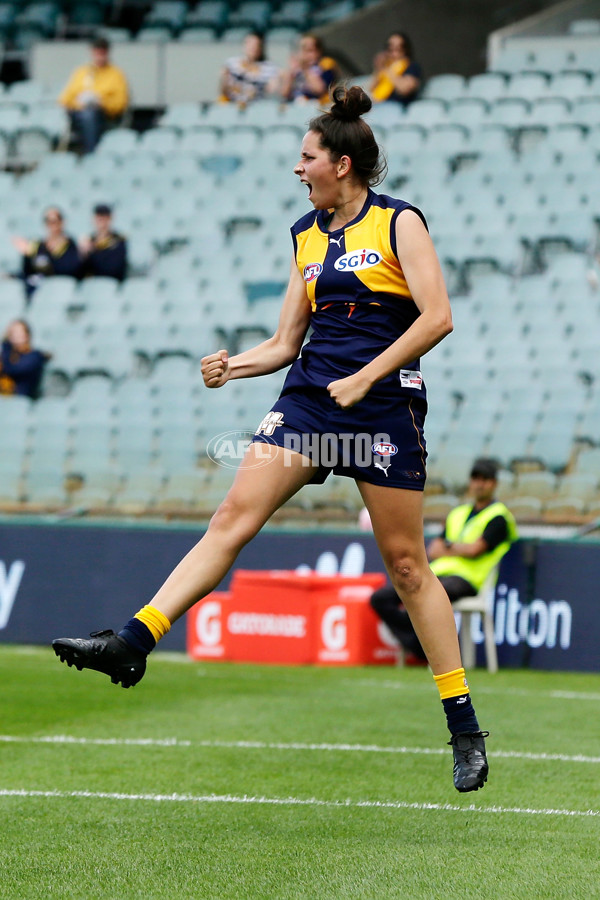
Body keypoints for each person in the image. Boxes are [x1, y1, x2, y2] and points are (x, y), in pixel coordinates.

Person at [53, 85, 489, 793]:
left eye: (306, 156)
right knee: (232, 517)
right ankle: (134, 642)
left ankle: (463, 725)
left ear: (341, 164)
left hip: (381, 407)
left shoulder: (400, 222)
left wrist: (366, 377)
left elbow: (437, 317)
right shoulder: (306, 233)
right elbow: (289, 340)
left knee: (408, 567)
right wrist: (236, 362)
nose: (298, 167)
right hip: (312, 401)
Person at [370, 458, 518, 663]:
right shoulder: (458, 513)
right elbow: (433, 550)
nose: (479, 483)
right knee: (380, 598)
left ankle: (420, 641)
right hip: (437, 573)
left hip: (468, 579)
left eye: (485, 479)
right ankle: (419, 646)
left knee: (430, 598)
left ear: (494, 483)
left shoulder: (499, 517)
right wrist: (457, 549)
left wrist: (449, 546)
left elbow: (475, 550)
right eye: (476, 478)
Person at [58, 36, 129, 154]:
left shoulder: (116, 74)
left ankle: (91, 154)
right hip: (78, 112)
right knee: (85, 114)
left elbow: (120, 103)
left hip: (105, 115)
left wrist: (101, 102)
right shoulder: (81, 72)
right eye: (97, 53)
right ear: (92, 52)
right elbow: (65, 99)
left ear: (107, 53)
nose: (100, 57)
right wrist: (80, 102)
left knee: (90, 115)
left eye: (102, 53)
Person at [13, 207, 81, 301]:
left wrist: (46, 261)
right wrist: (26, 255)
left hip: (60, 292)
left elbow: (68, 269)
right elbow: (28, 271)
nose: (52, 225)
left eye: (55, 221)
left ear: (62, 222)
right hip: (39, 293)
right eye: (48, 221)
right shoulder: (39, 245)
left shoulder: (69, 244)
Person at [219, 31, 280, 106]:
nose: (253, 48)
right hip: (233, 106)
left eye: (256, 45)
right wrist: (224, 79)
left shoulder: (269, 68)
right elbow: (224, 91)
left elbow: (271, 91)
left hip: (256, 108)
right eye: (250, 44)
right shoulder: (232, 64)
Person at [280, 33, 338, 105]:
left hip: (318, 104)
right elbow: (284, 93)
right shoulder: (296, 68)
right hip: (296, 105)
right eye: (302, 50)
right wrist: (290, 72)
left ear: (319, 51)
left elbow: (320, 90)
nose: (304, 54)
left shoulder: (325, 64)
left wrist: (305, 69)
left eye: (310, 50)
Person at [0, 319, 50, 398]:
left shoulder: (34, 356)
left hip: (22, 398)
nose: (15, 335)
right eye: (12, 332)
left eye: (19, 332)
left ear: (27, 334)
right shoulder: (9, 355)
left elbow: (12, 370)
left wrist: (6, 345)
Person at [370, 31, 422, 106]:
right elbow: (371, 88)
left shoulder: (412, 66)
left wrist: (387, 70)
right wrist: (378, 68)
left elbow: (405, 89)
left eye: (399, 48)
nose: (394, 52)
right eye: (390, 48)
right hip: (378, 104)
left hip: (396, 106)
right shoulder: (386, 64)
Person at [79, 204, 128, 281]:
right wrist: (82, 253)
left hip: (113, 284)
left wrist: (92, 253)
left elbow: (114, 268)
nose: (101, 221)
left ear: (110, 218)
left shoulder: (119, 240)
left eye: (104, 217)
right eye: (98, 218)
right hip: (92, 284)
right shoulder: (89, 240)